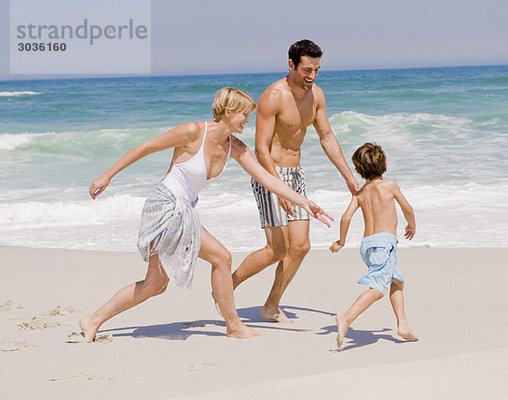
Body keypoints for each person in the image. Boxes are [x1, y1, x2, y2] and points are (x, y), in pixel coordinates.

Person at [79, 87, 331, 342]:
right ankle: (233, 326)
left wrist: (304, 202)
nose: (248, 120)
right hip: (166, 206)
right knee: (221, 258)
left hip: (183, 210)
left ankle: (92, 320)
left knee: (155, 284)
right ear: (228, 111)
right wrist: (107, 175)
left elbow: (266, 178)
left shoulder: (235, 147)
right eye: (244, 115)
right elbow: (145, 148)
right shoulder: (193, 132)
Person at [231, 39, 361, 322]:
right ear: (291, 65)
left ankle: (270, 305)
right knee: (276, 250)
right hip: (269, 174)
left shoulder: (316, 96)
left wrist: (349, 178)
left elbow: (326, 137)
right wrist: (277, 188)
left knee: (300, 246)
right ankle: (226, 288)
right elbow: (260, 148)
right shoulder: (273, 96)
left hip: (296, 174)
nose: (312, 76)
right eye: (306, 70)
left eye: (316, 70)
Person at [329, 142, 419, 348]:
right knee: (378, 288)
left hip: (367, 246)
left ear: (359, 171)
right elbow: (408, 208)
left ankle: (402, 325)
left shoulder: (360, 194)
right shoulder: (390, 185)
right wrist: (411, 226)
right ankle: (347, 317)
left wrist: (341, 242)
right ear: (386, 163)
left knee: (396, 281)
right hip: (383, 245)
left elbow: (345, 217)